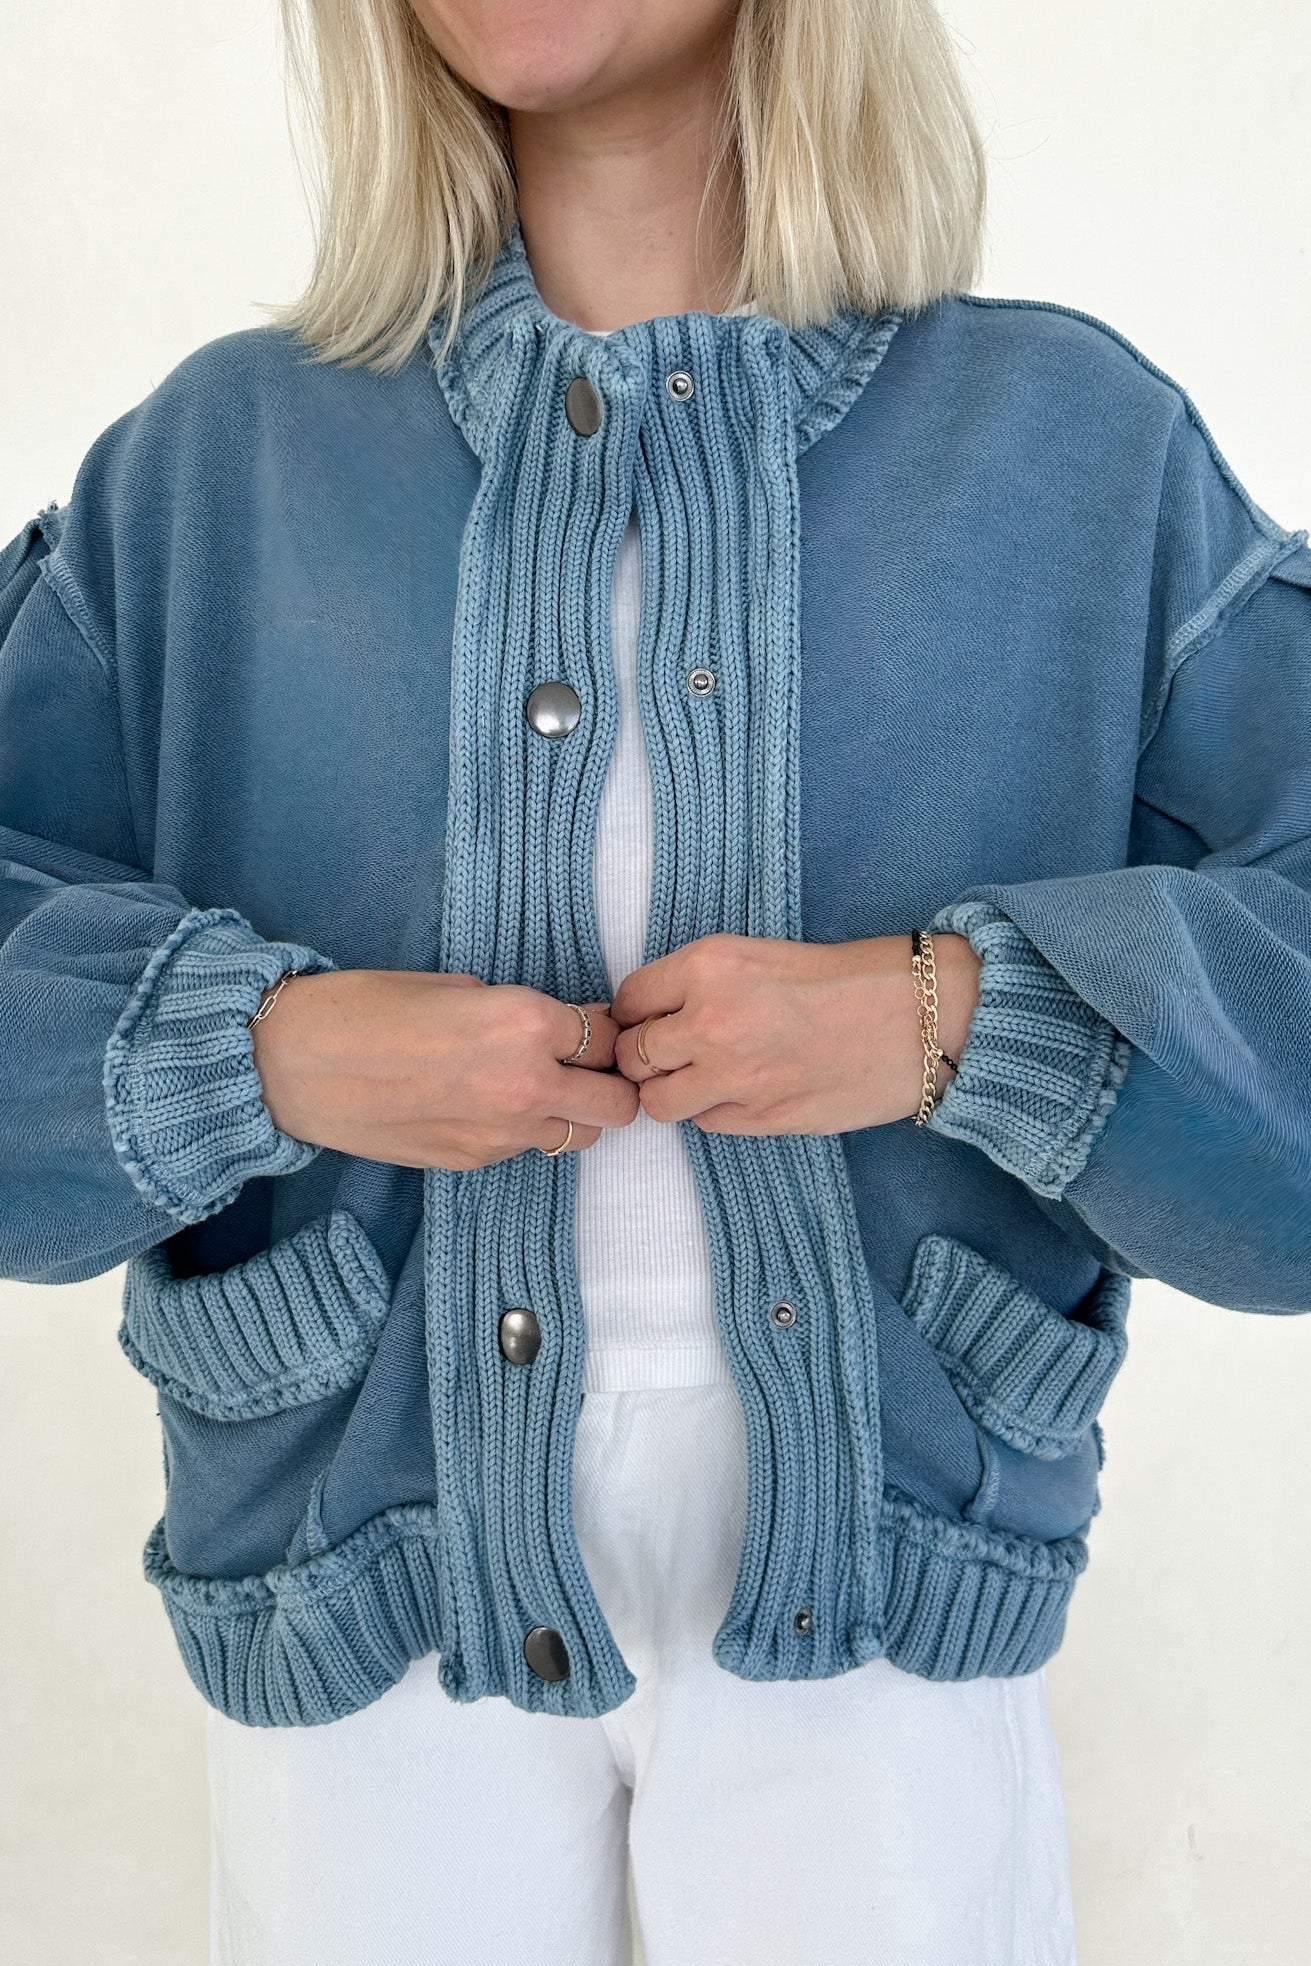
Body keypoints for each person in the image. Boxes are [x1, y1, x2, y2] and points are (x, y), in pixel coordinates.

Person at [3, 0, 1309, 1961]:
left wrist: (962, 1015)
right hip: (362, 1577)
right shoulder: (208, 475)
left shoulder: (1069, 453)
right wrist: (253, 1050)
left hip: (882, 1576)